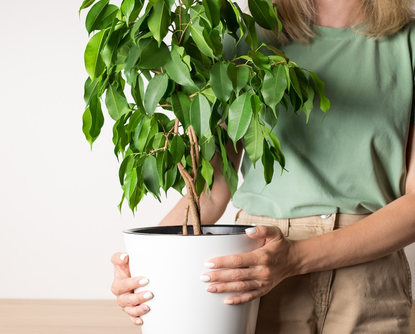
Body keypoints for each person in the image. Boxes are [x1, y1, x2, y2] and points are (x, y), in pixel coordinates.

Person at [110, 0, 415, 332]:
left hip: (366, 269)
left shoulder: (408, 43)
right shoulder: (243, 36)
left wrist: (296, 257)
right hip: (257, 264)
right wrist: (143, 266)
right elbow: (210, 192)